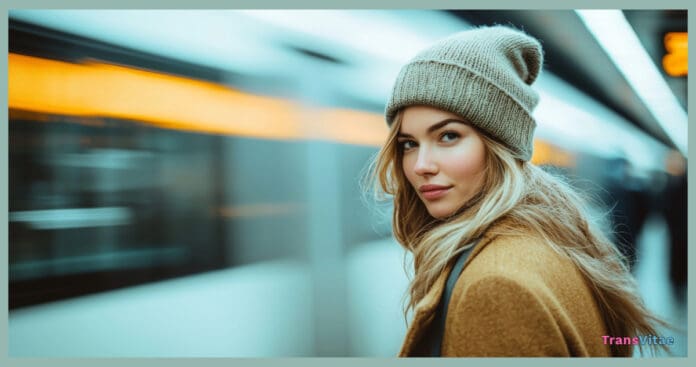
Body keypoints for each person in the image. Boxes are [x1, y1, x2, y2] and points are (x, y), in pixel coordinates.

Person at [364, 25, 668, 357]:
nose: (421, 164)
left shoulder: (495, 289)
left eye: (448, 136)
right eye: (408, 144)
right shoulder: (552, 238)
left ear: (500, 145)